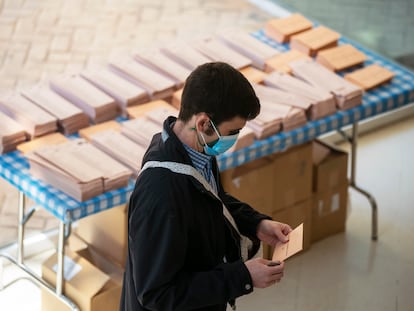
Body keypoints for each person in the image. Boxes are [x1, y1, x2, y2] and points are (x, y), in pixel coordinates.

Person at [120, 62, 292, 311]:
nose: (234, 139)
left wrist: (256, 224)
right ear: (203, 124)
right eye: (233, 131)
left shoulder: (194, 152)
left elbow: (212, 200)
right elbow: (157, 292)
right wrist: (242, 277)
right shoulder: (160, 194)